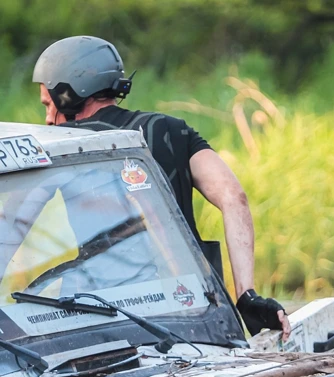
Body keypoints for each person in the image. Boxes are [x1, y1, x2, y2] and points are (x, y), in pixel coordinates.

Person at [32, 35, 290, 340]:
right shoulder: (171, 129)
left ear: (68, 95)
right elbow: (235, 198)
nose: (48, 119)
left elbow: (14, 222)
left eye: (49, 104)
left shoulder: (66, 145)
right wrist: (246, 294)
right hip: (189, 306)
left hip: (99, 316)